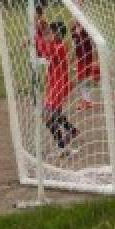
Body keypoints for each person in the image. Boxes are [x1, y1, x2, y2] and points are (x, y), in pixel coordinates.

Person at [35, 17, 78, 155]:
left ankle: (62, 147)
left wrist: (39, 33)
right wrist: (40, 29)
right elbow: (42, 48)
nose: (48, 36)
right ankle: (71, 130)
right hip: (54, 85)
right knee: (54, 114)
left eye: (50, 33)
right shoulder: (56, 45)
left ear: (58, 34)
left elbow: (43, 49)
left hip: (60, 86)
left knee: (47, 116)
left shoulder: (59, 48)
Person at [71, 21, 100, 111]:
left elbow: (94, 44)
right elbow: (75, 46)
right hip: (80, 59)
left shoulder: (87, 30)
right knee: (83, 80)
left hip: (88, 58)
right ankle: (87, 101)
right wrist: (73, 58)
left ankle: (87, 101)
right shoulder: (74, 30)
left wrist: (96, 60)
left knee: (83, 80)